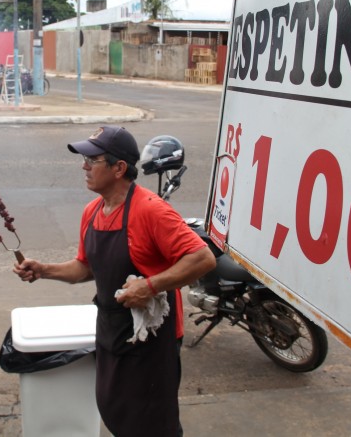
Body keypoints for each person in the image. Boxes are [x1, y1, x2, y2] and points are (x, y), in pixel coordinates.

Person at [14, 125, 216, 437]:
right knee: (115, 411)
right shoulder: (92, 211)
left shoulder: (151, 210)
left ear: (119, 168)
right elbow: (86, 268)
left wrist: (149, 286)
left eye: (92, 160)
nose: (84, 166)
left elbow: (202, 258)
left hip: (151, 341)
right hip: (111, 330)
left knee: (152, 424)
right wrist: (44, 270)